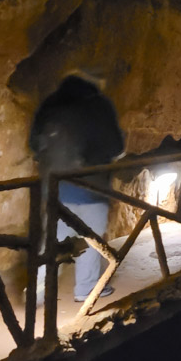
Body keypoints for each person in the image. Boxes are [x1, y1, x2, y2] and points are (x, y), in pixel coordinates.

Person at [29, 74, 124, 303]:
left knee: (51, 241)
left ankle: (38, 292)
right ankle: (86, 289)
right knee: (90, 240)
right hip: (91, 188)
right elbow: (116, 145)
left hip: (56, 189)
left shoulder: (50, 105)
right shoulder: (99, 106)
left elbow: (34, 144)